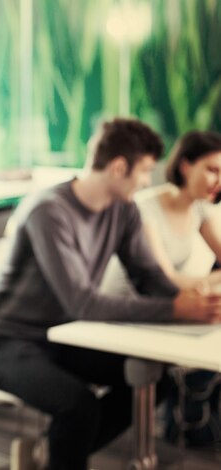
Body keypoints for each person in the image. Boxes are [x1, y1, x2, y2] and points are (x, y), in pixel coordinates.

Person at [0, 118, 221, 470]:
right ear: (120, 167)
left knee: (152, 380)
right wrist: (176, 310)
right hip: (5, 344)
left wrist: (195, 305)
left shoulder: (124, 210)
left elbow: (151, 279)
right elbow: (82, 302)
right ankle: (61, 451)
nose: (148, 181)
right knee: (79, 406)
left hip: (63, 337)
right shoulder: (48, 211)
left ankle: (51, 453)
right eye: (146, 171)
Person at [101, 130, 221, 446]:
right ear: (185, 166)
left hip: (160, 308)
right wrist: (214, 281)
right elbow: (165, 280)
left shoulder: (199, 209)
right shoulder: (144, 208)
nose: (217, 180)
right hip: (125, 313)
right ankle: (186, 428)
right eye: (212, 169)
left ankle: (190, 426)